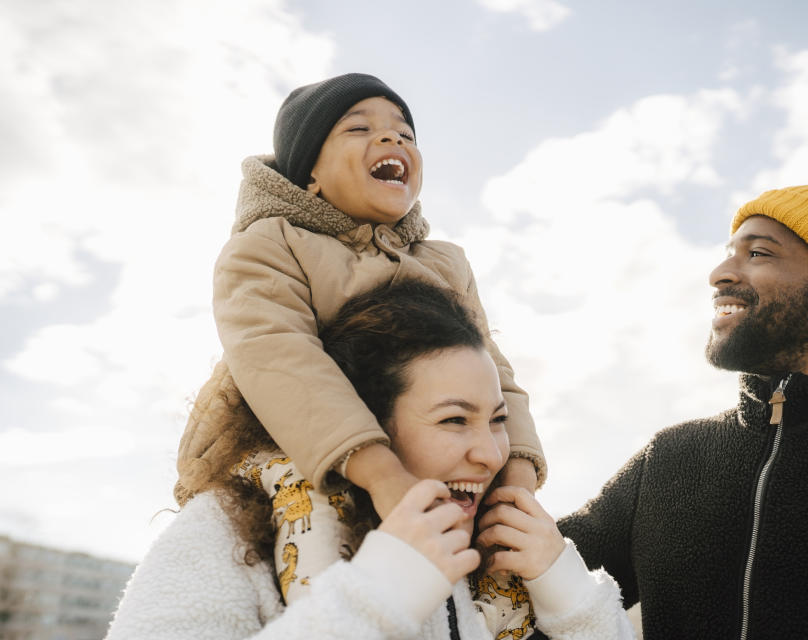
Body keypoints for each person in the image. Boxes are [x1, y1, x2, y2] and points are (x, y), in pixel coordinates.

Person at [107, 282, 635, 639]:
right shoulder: (225, 532)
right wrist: (378, 597)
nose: (491, 453)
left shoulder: (497, 559)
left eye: (498, 420)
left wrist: (571, 599)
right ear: (365, 425)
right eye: (454, 420)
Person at [557, 185, 808, 638]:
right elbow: (523, 586)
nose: (719, 273)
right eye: (729, 252)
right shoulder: (668, 460)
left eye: (758, 254)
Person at [174, 73, 544, 538]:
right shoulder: (269, 244)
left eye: (404, 133)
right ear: (310, 171)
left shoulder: (445, 264)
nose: (390, 136)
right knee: (310, 528)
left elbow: (493, 376)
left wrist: (519, 482)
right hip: (293, 446)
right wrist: (383, 476)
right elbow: (279, 358)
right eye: (358, 128)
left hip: (431, 459)